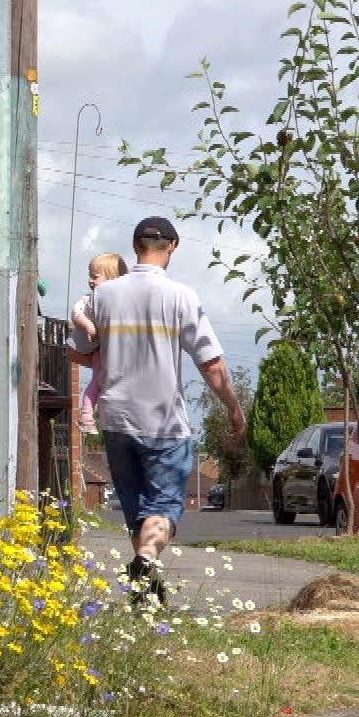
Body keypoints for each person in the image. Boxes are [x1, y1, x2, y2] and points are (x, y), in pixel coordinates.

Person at [69, 217, 246, 601]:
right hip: (164, 420)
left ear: (135, 246)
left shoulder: (104, 296)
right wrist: (233, 408)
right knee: (163, 507)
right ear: (173, 247)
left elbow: (78, 351)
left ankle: (145, 591)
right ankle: (146, 559)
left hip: (115, 419)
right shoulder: (181, 296)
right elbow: (211, 365)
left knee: (137, 509)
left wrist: (115, 352)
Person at [70, 252, 129, 436]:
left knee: (105, 382)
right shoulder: (89, 299)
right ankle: (87, 415)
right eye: (91, 276)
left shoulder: (120, 302)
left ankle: (101, 416)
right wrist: (88, 325)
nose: (90, 281)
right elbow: (76, 313)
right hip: (99, 351)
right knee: (97, 381)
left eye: (95, 277)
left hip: (108, 351)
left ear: (112, 279)